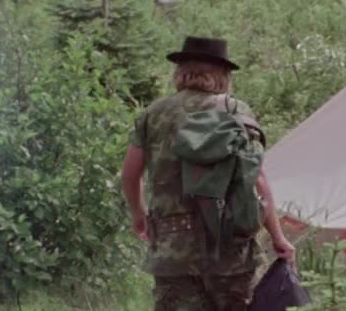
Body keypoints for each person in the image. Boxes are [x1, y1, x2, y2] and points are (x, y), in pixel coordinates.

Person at [121, 36, 295, 311]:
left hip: (172, 250)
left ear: (180, 73)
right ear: (223, 76)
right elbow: (257, 179)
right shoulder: (237, 111)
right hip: (232, 248)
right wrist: (277, 237)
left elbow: (130, 175)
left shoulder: (153, 115)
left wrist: (138, 214)